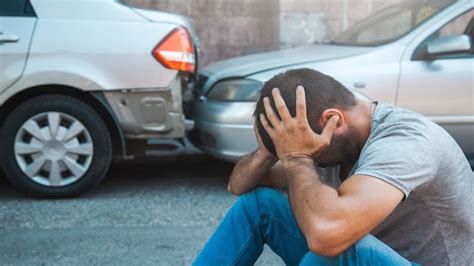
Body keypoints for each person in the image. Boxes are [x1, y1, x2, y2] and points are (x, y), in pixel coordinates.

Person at [193, 68, 473, 265]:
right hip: (366, 257)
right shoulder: (330, 140)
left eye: (302, 150)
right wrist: (269, 152)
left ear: (333, 121)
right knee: (257, 204)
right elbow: (238, 185)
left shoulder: (406, 142)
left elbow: (327, 236)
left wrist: (298, 159)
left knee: (334, 249)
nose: (307, 157)